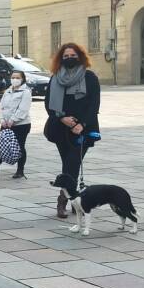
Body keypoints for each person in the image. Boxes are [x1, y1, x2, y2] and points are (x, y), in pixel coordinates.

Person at [45, 42, 101, 219]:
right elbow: (48, 104)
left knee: (72, 164)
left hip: (82, 130)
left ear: (80, 57)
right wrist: (62, 118)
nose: (69, 59)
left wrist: (81, 124)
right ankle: (75, 201)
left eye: (73, 56)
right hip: (61, 128)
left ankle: (63, 200)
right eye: (66, 56)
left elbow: (94, 104)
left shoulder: (89, 77)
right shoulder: (55, 78)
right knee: (68, 164)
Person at [0, 69, 32, 179]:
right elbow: (2, 107)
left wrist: (13, 120)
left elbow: (23, 109)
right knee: (3, 144)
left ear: (22, 79)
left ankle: (20, 171)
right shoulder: (8, 91)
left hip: (21, 124)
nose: (15, 79)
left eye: (18, 78)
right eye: (13, 77)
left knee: (19, 146)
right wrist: (2, 119)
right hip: (5, 123)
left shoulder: (26, 92)